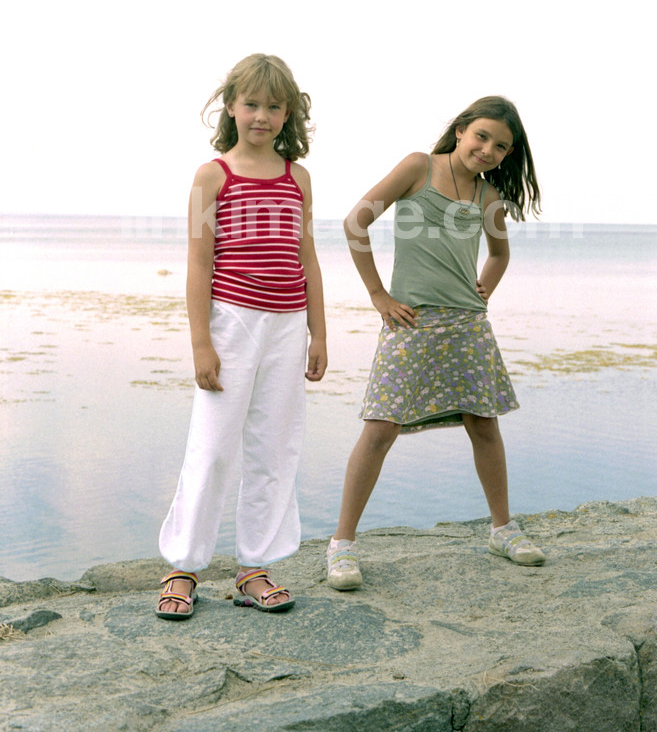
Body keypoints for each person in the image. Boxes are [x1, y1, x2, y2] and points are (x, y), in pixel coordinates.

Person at [326, 95, 544, 591]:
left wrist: (482, 291)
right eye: (482, 136)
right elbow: (355, 222)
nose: (487, 150)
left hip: (467, 323)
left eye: (500, 146)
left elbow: (499, 255)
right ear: (462, 129)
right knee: (380, 428)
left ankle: (502, 530)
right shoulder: (417, 168)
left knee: (483, 423)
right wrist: (378, 295)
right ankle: (341, 544)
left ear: (508, 154)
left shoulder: (488, 196)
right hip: (411, 321)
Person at [156, 54, 326, 619]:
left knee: (274, 447)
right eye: (251, 104)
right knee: (212, 447)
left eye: (274, 106)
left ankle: (255, 566)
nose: (261, 116)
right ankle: (184, 566)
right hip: (231, 322)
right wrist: (201, 342)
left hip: (288, 325)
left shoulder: (298, 178)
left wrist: (318, 334)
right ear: (230, 106)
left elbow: (308, 259)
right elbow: (199, 263)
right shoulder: (213, 176)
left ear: (288, 113)